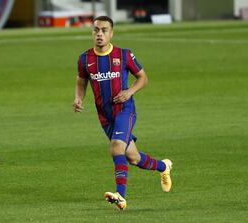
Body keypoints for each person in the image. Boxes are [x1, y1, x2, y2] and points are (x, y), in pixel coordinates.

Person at [73, 15, 173, 210]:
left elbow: (142, 78)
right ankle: (164, 166)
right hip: (105, 116)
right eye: (96, 30)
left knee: (116, 147)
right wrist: (79, 98)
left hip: (125, 111)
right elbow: (81, 80)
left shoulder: (124, 55)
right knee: (133, 157)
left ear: (111, 33)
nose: (99, 34)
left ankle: (121, 196)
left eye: (104, 30)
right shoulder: (85, 58)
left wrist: (129, 92)